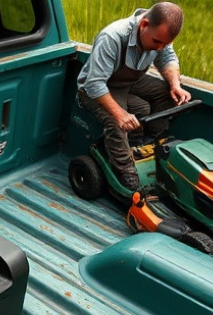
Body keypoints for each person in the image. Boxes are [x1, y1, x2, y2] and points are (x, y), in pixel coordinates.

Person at [76, 2, 192, 191]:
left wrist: (175, 84)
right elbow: (94, 84)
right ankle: (125, 170)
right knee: (116, 123)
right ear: (144, 25)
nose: (160, 48)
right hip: (97, 89)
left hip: (128, 83)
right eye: (156, 42)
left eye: (165, 44)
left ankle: (149, 143)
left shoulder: (158, 37)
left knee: (167, 95)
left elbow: (168, 59)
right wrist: (120, 114)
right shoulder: (113, 37)